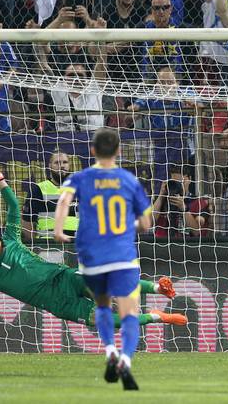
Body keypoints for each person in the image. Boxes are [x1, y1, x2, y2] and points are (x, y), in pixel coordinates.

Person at [0, 154, 184, 337]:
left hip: (63, 279)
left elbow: (14, 207)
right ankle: (156, 316)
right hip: (57, 303)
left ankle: (158, 287)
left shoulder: (12, 239)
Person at [54, 128, 152, 390]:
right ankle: (126, 361)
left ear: (93, 151)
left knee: (102, 305)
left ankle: (109, 349)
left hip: (92, 256)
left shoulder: (81, 177)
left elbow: (63, 201)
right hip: (122, 256)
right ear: (119, 151)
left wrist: (58, 230)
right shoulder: (129, 180)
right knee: (130, 313)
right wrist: (128, 223)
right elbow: (146, 223)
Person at [22, 150, 77, 241]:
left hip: (77, 245)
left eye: (65, 162)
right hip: (49, 246)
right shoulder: (38, 189)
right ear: (50, 166)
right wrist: (37, 244)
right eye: (57, 163)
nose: (62, 166)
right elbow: (27, 221)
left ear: (69, 165)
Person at [153, 164, 210, 238]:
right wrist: (161, 196)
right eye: (174, 182)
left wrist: (184, 208)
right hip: (161, 243)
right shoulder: (162, 200)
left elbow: (196, 231)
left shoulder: (198, 202)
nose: (178, 185)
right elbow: (150, 222)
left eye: (180, 182)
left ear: (189, 179)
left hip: (186, 245)